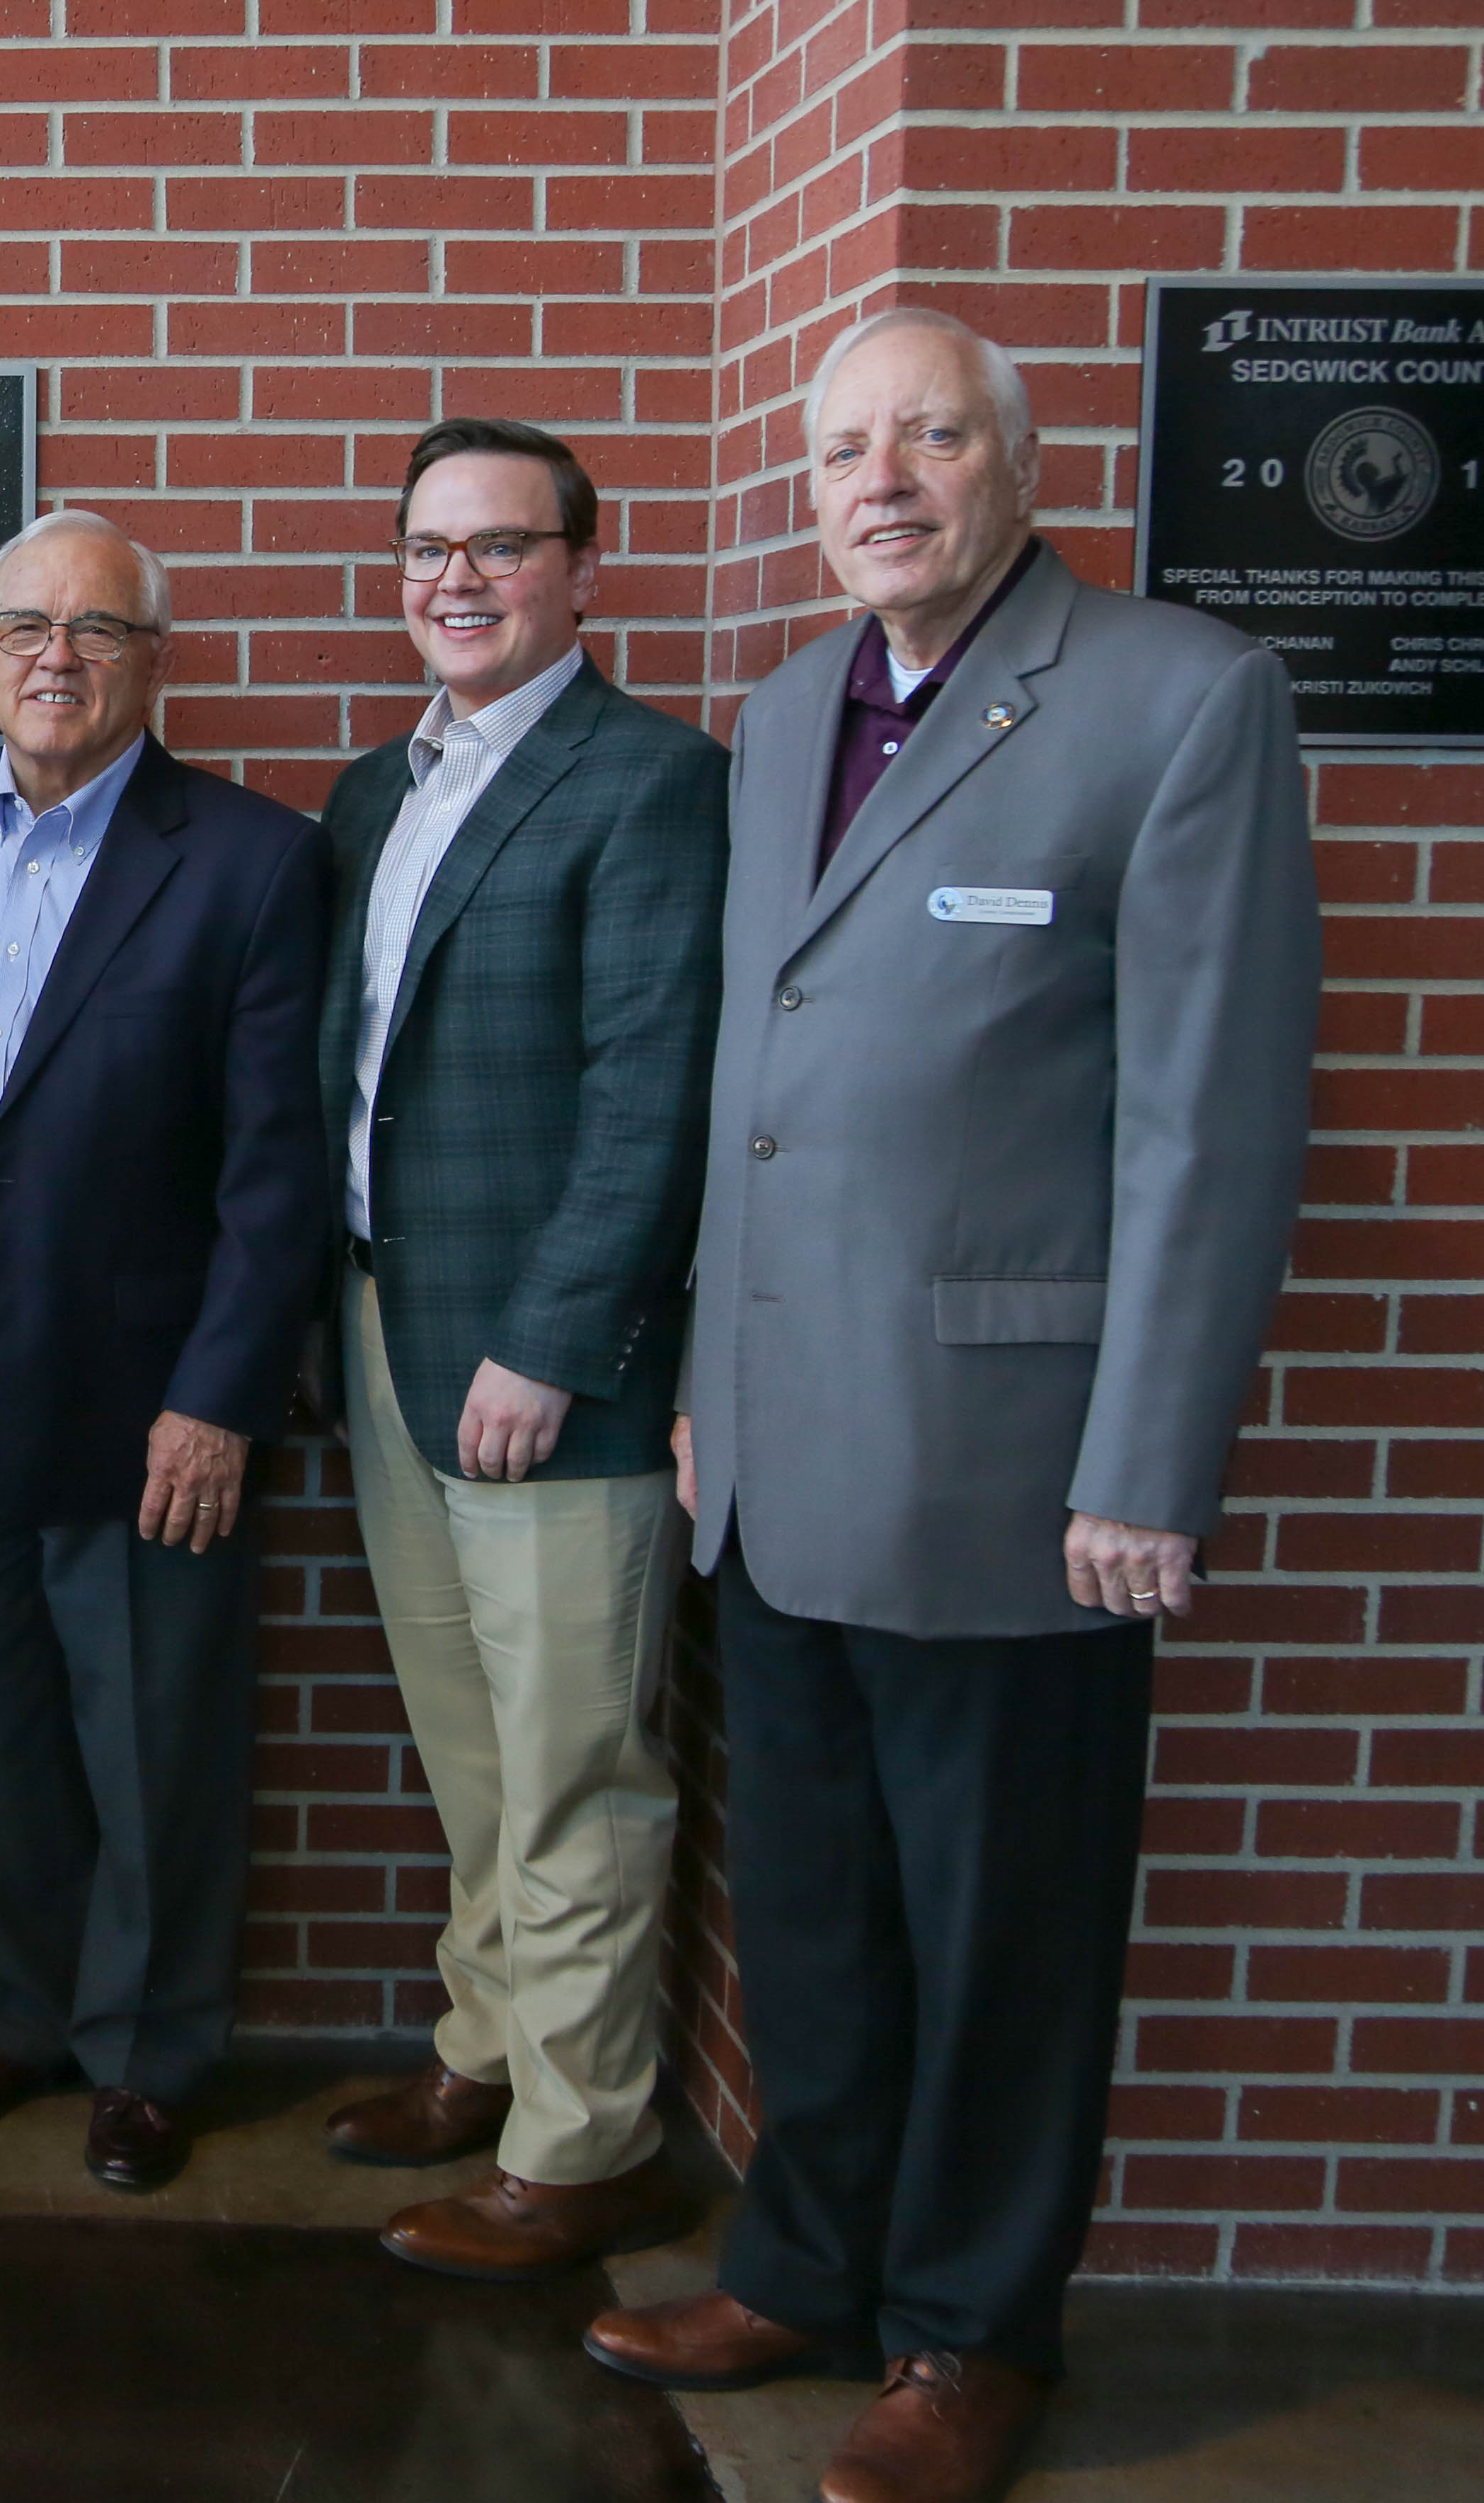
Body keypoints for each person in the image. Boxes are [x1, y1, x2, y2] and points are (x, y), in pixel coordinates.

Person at [583, 309, 1319, 2503]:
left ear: (1015, 461)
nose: (878, 480)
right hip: (785, 1453)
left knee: (1002, 1935)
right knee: (808, 1908)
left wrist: (1148, 1463)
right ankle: (804, 2265)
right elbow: (757, 1086)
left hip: (1020, 1479)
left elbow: (1214, 1120)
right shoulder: (793, 704)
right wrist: (710, 1379)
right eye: (840, 452)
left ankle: (977, 2336)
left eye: (924, 439)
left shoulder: (1182, 702)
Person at [0, 512, 330, 2194]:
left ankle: (146, 2052)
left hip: (145, 1378)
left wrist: (218, 1394)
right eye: (24, 626)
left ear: (155, 661)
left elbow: (278, 1173)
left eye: (98, 631)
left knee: (153, 1735)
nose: (56, 658)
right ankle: (13, 2021)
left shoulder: (252, 860)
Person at [311, 418, 727, 2279]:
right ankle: (486, 2051)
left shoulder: (649, 784)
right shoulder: (375, 796)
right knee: (473, 1746)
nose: (455, 581)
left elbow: (652, 1089)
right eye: (429, 547)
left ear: (581, 566)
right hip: (395, 1332)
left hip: (551, 1372)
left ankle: (584, 2147)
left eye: (498, 547)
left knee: (576, 1760)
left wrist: (556, 1338)